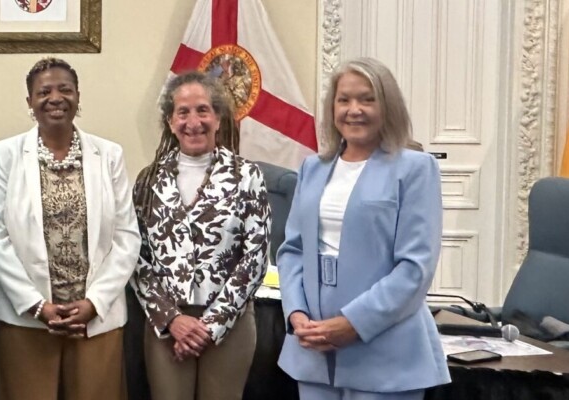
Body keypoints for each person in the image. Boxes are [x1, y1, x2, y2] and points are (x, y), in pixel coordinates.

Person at [276, 57, 450, 400]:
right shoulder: (313, 168)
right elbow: (292, 250)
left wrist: (353, 323)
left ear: (387, 105)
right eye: (344, 100)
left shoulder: (415, 168)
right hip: (314, 350)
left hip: (385, 353)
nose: (354, 110)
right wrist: (296, 314)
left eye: (366, 99)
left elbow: (415, 268)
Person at [0, 57, 141, 400]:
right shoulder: (3, 155)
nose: (55, 97)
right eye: (44, 91)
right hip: (24, 318)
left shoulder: (109, 154)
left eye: (65, 89)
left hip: (95, 319)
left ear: (78, 97)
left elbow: (127, 236)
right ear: (30, 102)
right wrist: (35, 305)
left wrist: (95, 302)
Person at [132, 71, 270, 400]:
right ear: (170, 121)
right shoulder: (148, 180)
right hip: (167, 325)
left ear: (219, 117)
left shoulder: (247, 175)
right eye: (183, 112)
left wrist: (211, 325)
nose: (193, 121)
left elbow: (256, 256)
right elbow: (135, 255)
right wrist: (173, 320)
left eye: (203, 110)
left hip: (230, 323)